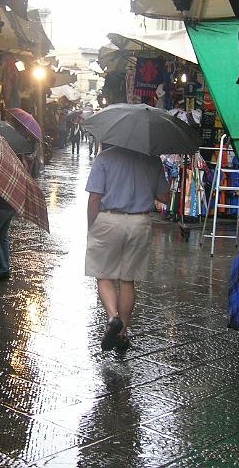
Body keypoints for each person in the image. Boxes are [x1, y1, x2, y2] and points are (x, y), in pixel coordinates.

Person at [85, 145, 169, 352]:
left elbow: (94, 197)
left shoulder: (104, 158)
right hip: (140, 222)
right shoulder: (153, 159)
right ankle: (122, 334)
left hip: (108, 220)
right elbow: (165, 198)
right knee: (127, 279)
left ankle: (113, 317)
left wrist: (91, 225)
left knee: (104, 275)